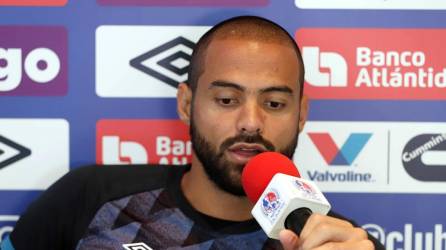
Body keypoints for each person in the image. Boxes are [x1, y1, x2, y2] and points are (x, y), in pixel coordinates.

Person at [2, 16, 384, 250]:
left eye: (273, 104)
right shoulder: (89, 196)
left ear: (301, 113)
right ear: (187, 104)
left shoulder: (342, 243)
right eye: (226, 100)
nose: (251, 122)